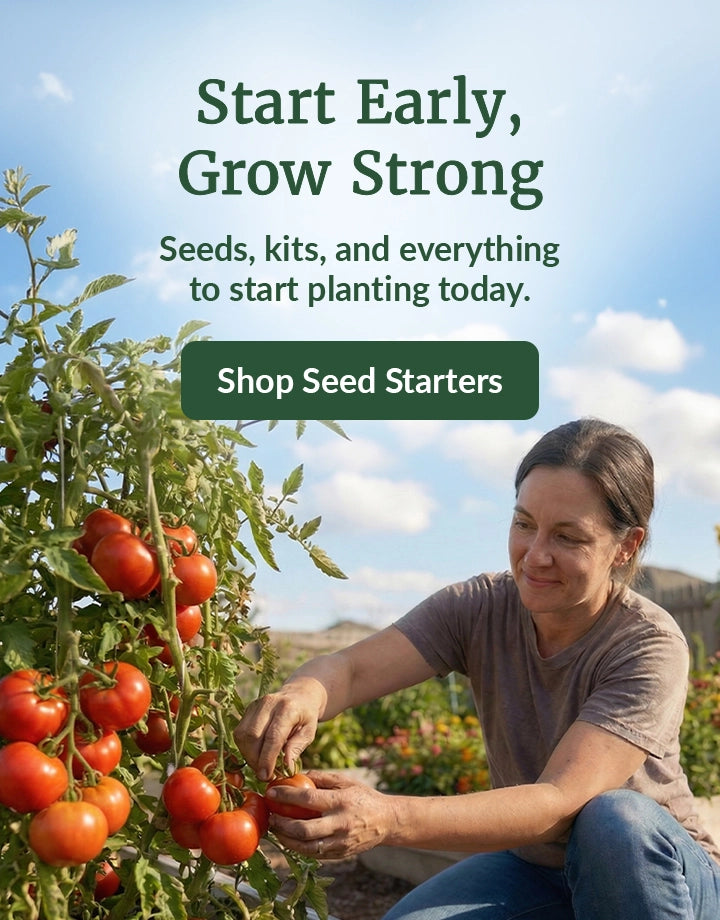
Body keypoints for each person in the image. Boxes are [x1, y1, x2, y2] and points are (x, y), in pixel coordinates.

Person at [235, 418, 720, 919]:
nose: (535, 556)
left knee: (614, 818)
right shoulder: (480, 607)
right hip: (538, 868)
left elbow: (559, 800)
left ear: (626, 545)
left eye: (568, 537)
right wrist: (305, 693)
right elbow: (352, 669)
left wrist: (389, 817)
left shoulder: (647, 645)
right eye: (524, 523)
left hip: (658, 879)